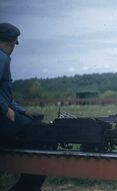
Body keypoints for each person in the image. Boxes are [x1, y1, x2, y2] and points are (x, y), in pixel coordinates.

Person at [0, 23, 46, 191]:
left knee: (35, 127)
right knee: (42, 134)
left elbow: (6, 96)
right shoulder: (2, 57)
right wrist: (6, 110)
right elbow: (4, 101)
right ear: (12, 42)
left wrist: (22, 110)